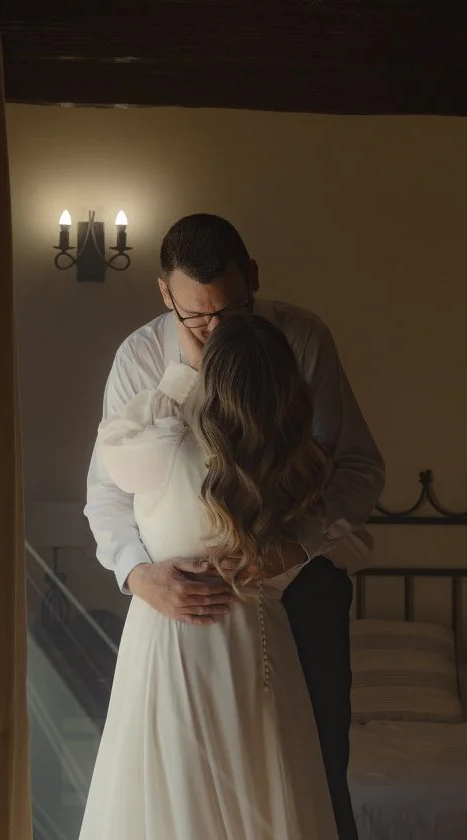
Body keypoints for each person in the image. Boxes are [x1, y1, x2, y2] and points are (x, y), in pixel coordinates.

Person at [83, 213, 385, 840]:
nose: (216, 329)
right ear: (165, 294)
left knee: (312, 776)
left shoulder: (301, 340)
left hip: (298, 588)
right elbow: (107, 493)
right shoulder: (141, 358)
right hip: (175, 611)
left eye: (230, 310)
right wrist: (139, 575)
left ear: (252, 278)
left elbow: (355, 468)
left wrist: (294, 548)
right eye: (197, 316)